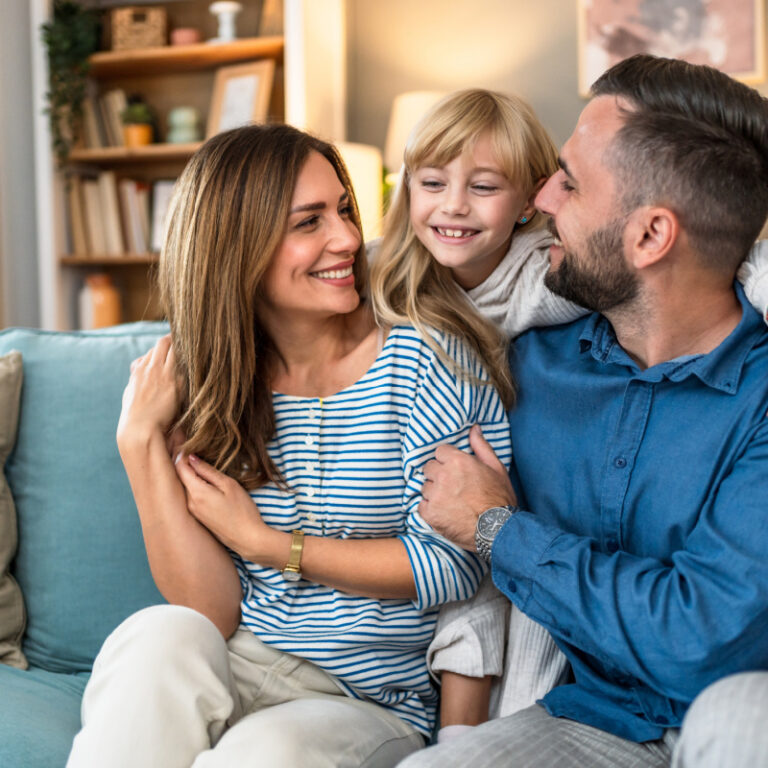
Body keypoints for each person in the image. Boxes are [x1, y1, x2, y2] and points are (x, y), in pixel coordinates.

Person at [65, 123, 514, 768]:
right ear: (237, 247)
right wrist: (139, 445)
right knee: (156, 634)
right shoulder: (216, 382)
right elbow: (209, 611)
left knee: (263, 753)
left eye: (343, 210)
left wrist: (271, 546)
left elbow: (457, 564)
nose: (349, 239)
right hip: (240, 660)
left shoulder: (424, 361)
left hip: (366, 701)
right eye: (310, 222)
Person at [398, 54, 768, 768]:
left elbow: (702, 639)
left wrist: (499, 530)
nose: (540, 199)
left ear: (651, 236)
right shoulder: (527, 360)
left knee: (738, 718)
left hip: (740, 707)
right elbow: (399, 280)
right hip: (594, 721)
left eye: (569, 181)